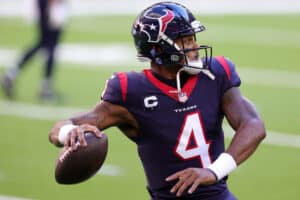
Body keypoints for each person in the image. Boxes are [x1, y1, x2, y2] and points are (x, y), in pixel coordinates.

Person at [48, 2, 266, 199]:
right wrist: (69, 132)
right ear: (160, 48)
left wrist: (214, 171)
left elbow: (254, 125)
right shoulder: (130, 91)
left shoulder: (215, 74)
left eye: (193, 38)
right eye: (186, 40)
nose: (195, 47)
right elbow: (58, 129)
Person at [1, 0, 68, 100]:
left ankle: (12, 73)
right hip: (51, 4)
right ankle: (46, 87)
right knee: (50, 44)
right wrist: (54, 5)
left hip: (47, 4)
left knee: (43, 43)